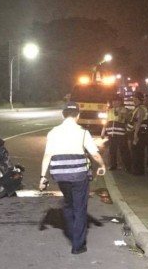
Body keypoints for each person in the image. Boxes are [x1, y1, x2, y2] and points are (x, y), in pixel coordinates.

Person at [39, 102, 106, 255]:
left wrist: (43, 177)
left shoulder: (53, 132)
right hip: (79, 175)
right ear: (78, 115)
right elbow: (94, 154)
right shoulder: (82, 132)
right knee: (80, 208)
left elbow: (47, 155)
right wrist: (102, 165)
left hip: (61, 176)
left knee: (68, 204)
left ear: (63, 115)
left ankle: (70, 232)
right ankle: (78, 245)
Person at [102, 95, 131, 171]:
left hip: (121, 134)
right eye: (113, 101)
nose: (114, 103)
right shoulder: (110, 110)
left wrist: (121, 113)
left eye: (116, 101)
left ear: (120, 102)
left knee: (124, 150)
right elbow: (106, 121)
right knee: (112, 150)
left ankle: (128, 166)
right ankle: (113, 165)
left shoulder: (125, 110)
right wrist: (103, 131)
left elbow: (129, 119)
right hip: (112, 134)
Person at [129, 91, 148, 175]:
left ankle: (138, 171)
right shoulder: (138, 108)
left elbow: (138, 122)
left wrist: (135, 135)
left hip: (139, 133)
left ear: (139, 99)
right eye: (134, 97)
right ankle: (138, 170)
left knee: (137, 152)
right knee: (137, 152)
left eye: (136, 98)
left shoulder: (140, 109)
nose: (134, 99)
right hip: (139, 132)